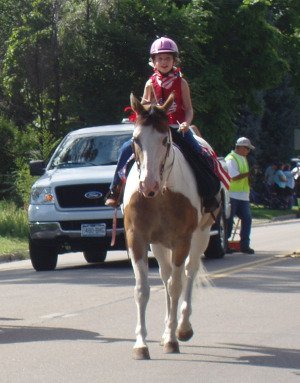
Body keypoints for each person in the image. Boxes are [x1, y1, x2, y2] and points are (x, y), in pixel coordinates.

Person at [105, 37, 221, 211]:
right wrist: (149, 108)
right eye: (160, 58)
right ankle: (115, 190)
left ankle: (209, 194)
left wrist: (186, 124)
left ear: (174, 60)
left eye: (167, 58)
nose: (164, 62)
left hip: (177, 129)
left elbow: (189, 109)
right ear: (153, 62)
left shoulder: (181, 82)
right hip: (155, 130)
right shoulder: (150, 83)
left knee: (199, 153)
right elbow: (142, 109)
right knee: (125, 150)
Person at [225, 137, 255, 254]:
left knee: (247, 220)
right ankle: (225, 245)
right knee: (228, 220)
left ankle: (244, 245)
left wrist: (250, 177)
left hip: (243, 196)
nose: (248, 151)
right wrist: (248, 173)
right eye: (247, 148)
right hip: (232, 195)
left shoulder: (243, 158)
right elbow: (234, 176)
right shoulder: (231, 159)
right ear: (240, 147)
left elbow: (244, 176)